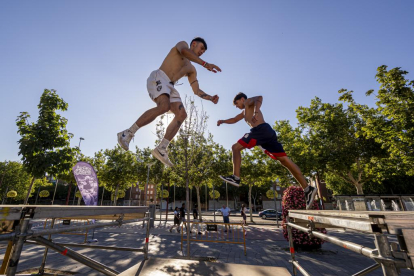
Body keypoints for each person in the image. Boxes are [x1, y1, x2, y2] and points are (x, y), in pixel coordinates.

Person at [117, 37, 221, 167]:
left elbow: (196, 90)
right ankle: (126, 134)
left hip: (170, 86)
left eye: (204, 52)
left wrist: (210, 98)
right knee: (164, 106)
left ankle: (161, 148)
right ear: (193, 44)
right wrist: (206, 64)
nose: (202, 52)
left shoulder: (192, 69)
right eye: (201, 49)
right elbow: (184, 52)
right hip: (160, 77)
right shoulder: (183, 45)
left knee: (182, 115)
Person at [217, 92, 318, 210]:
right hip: (266, 134)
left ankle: (236, 177)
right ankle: (307, 188)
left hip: (260, 130)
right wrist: (223, 121)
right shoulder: (244, 112)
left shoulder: (248, 102)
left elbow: (259, 98)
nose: (236, 106)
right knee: (284, 161)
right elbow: (234, 119)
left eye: (236, 103)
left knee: (235, 147)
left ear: (242, 99)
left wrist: (256, 110)